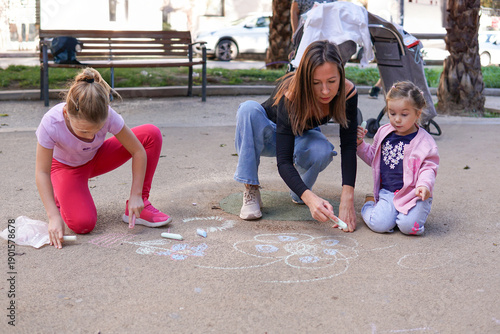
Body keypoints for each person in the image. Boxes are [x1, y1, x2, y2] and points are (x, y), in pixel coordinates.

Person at [35, 67, 171, 249]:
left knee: (151, 134)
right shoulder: (51, 123)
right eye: (83, 130)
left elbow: (138, 151)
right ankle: (63, 196)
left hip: (96, 157)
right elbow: (42, 172)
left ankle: (140, 207)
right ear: (67, 113)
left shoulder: (108, 115)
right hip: (66, 168)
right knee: (83, 224)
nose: (90, 136)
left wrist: (136, 195)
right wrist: (53, 216)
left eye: (96, 130)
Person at [234, 40, 358, 232]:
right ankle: (251, 188)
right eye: (316, 83)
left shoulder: (348, 92)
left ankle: (299, 191)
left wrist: (347, 198)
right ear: (306, 79)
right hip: (269, 136)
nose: (325, 91)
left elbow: (349, 146)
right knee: (248, 110)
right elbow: (283, 161)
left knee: (322, 149)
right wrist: (311, 199)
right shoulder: (291, 93)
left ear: (341, 75)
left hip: (301, 136)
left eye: (332, 81)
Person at [356, 81, 439, 235]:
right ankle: (370, 204)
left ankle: (404, 215)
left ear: (417, 113)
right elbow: (373, 158)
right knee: (379, 225)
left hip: (414, 194)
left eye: (404, 114)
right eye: (392, 113)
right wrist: (360, 144)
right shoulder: (383, 132)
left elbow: (429, 167)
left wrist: (424, 185)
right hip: (388, 193)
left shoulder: (425, 142)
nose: (397, 119)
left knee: (409, 228)